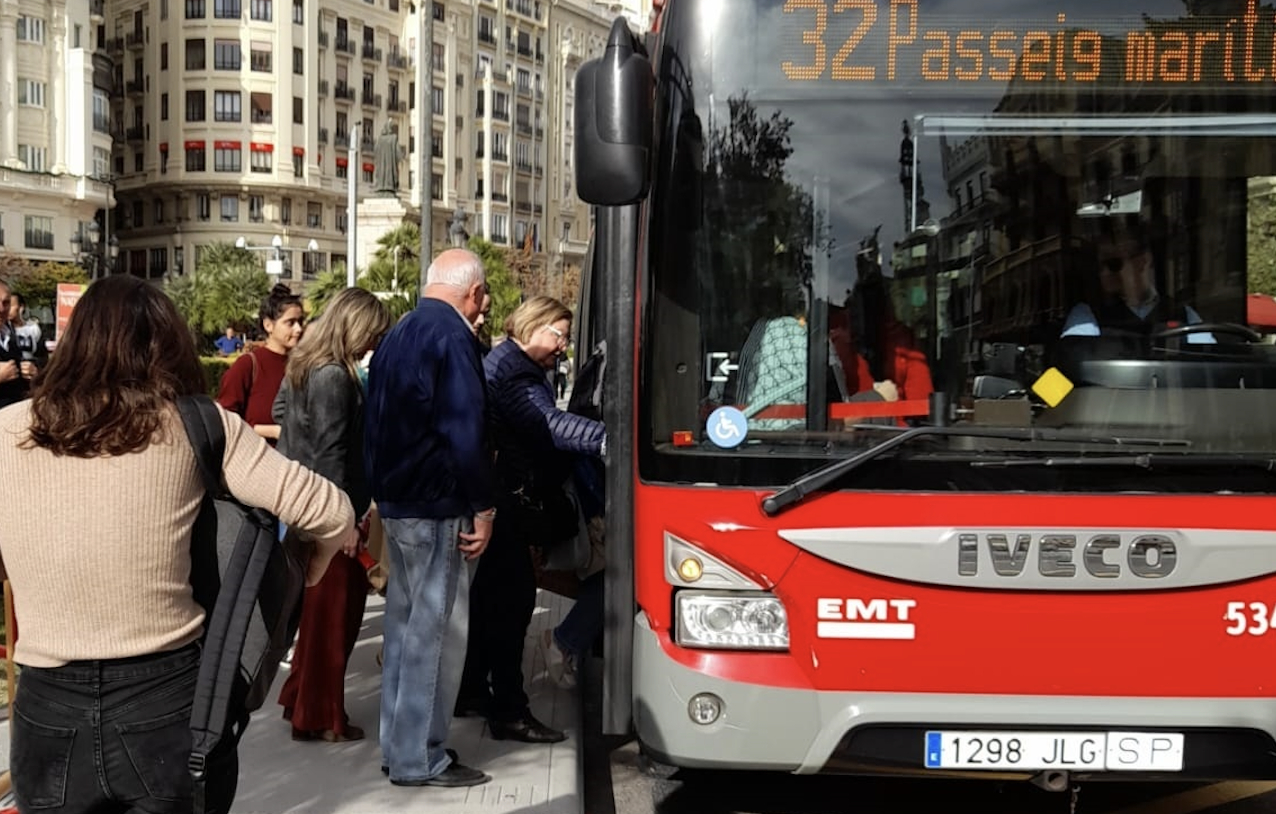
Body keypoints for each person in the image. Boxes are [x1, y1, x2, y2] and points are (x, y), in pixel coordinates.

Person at [0, 275, 357, 814]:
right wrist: (310, 568)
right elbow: (333, 511)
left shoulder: (6, 432)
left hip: (46, 705)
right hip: (168, 702)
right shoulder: (195, 424)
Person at [365, 248, 496, 788]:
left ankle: (398, 748)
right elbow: (466, 432)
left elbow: (370, 419)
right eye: (484, 298)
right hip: (438, 505)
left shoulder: (400, 332)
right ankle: (420, 756)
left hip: (397, 503)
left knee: (403, 630)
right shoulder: (453, 338)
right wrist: (485, 508)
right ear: (473, 293)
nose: (485, 309)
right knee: (436, 637)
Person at [458, 296, 604, 743]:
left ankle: (471, 691)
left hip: (497, 498)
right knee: (512, 605)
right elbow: (549, 424)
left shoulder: (503, 360)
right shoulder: (517, 370)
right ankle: (509, 712)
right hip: (508, 504)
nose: (563, 346)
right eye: (559, 334)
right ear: (534, 325)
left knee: (488, 603)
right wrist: (606, 439)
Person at [274, 287, 392, 743]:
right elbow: (331, 456)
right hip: (332, 513)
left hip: (305, 506)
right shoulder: (334, 376)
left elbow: (281, 415)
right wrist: (343, 523)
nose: (373, 345)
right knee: (332, 622)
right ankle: (320, 718)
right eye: (372, 334)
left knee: (317, 618)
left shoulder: (303, 365)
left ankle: (301, 700)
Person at [1062, 227, 1214, 343]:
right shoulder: (1087, 316)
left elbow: (1207, 360)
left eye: (1113, 264)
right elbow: (1074, 360)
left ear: (1142, 262)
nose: (1104, 273)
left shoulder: (1184, 315)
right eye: (1098, 267)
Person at [217, 284, 305, 443]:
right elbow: (225, 420)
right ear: (268, 325)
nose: (299, 329)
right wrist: (270, 431)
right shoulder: (247, 365)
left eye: (300, 321)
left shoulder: (304, 364)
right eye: (290, 323)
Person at [0, 280, 38, 409]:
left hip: (11, 417)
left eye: (6, 303)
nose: (1, 308)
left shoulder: (11, 335)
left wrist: (33, 372)